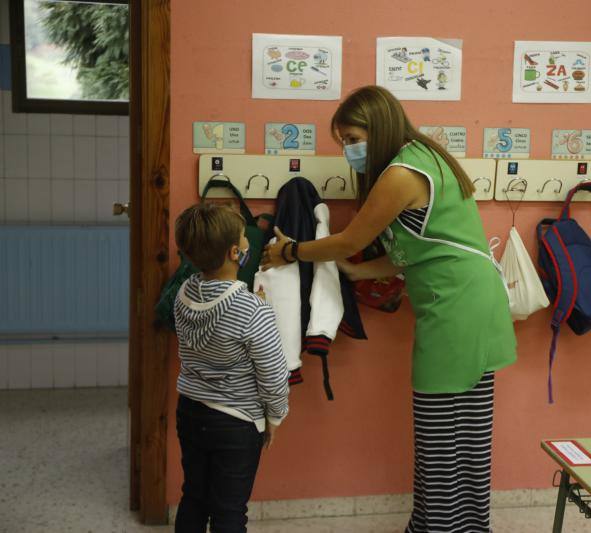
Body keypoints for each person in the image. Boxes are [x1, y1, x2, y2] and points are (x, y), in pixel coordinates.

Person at [261, 85, 516, 532]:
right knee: (465, 436)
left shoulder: (401, 173)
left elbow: (352, 240)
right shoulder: (425, 157)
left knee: (443, 437)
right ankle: (457, 526)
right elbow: (411, 251)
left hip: (457, 309)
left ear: (379, 128)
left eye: (353, 138)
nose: (349, 150)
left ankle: (441, 527)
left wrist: (290, 251)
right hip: (470, 301)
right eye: (343, 143)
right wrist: (357, 273)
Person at [173, 203, 289, 533]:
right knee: (228, 512)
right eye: (243, 237)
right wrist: (275, 415)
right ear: (235, 252)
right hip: (235, 424)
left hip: (191, 412)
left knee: (193, 497)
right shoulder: (253, 309)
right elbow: (273, 376)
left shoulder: (184, 292)